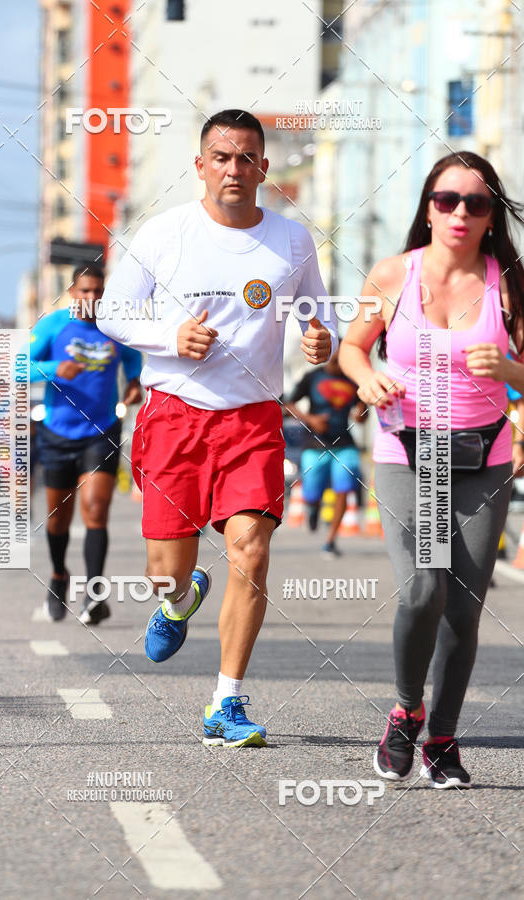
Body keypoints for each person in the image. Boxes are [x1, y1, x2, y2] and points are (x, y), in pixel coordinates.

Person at [97, 109, 338, 748]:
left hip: (253, 419)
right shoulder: (164, 233)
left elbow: (320, 315)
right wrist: (169, 337)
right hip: (175, 415)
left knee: (251, 552)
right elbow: (113, 312)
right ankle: (179, 600)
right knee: (165, 571)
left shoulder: (291, 240)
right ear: (200, 165)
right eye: (222, 158)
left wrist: (324, 340)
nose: (235, 169)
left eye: (246, 158)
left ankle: (226, 701)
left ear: (263, 167)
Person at [340, 151, 524, 788]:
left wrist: (510, 370)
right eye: (447, 200)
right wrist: (367, 380)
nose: (460, 212)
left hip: (482, 458)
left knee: (464, 610)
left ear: (491, 215)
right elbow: (353, 348)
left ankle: (442, 739)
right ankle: (405, 712)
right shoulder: (394, 274)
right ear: (428, 208)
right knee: (423, 588)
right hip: (407, 452)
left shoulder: (510, 284)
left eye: (476, 202)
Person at [30, 264, 142, 624]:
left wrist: (135, 382)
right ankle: (59, 575)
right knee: (58, 520)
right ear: (72, 293)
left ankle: (94, 594)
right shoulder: (53, 325)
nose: (91, 298)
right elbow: (16, 366)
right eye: (85, 291)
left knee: (96, 509)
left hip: (102, 430)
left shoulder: (114, 326)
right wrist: (53, 369)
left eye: (98, 292)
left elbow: (133, 358)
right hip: (57, 433)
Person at [284, 345, 367, 555]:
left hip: (345, 444)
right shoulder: (313, 377)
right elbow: (288, 404)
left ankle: (330, 540)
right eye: (336, 355)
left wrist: (362, 412)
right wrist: (310, 419)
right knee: (311, 493)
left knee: (344, 488)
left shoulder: (353, 380)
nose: (339, 360)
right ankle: (313, 508)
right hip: (315, 445)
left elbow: (362, 415)